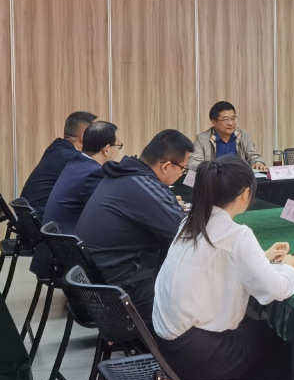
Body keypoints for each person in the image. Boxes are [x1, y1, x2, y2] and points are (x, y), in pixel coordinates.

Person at [153, 156, 294, 380]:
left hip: (165, 347)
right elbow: (276, 289)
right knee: (277, 342)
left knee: (258, 332)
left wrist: (262, 257)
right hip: (196, 355)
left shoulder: (190, 222)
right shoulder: (237, 235)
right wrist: (290, 268)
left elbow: (217, 263)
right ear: (245, 193)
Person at [76, 129, 194, 321]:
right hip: (126, 293)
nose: (182, 174)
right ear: (166, 166)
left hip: (103, 286)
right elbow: (186, 235)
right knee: (205, 291)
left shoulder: (123, 176)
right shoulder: (143, 185)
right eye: (183, 168)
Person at [29, 121, 121, 279]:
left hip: (55, 248)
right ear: (106, 149)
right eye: (118, 145)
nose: (118, 150)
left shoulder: (77, 162)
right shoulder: (92, 173)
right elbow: (109, 213)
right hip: (67, 256)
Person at [20, 111, 97, 218]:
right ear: (83, 137)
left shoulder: (57, 148)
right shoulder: (73, 158)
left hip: (30, 217)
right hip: (43, 219)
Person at [189, 101, 267, 172]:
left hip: (240, 179)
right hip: (214, 179)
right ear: (214, 122)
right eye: (226, 119)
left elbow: (253, 155)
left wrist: (258, 161)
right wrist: (213, 170)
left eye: (233, 118)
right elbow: (193, 164)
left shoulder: (243, 135)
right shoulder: (202, 139)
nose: (231, 123)